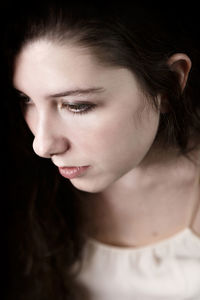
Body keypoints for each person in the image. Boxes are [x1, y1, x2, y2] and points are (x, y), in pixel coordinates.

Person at [3, 1, 200, 299]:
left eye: (76, 105)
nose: (42, 145)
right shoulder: (22, 186)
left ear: (170, 83)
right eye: (26, 100)